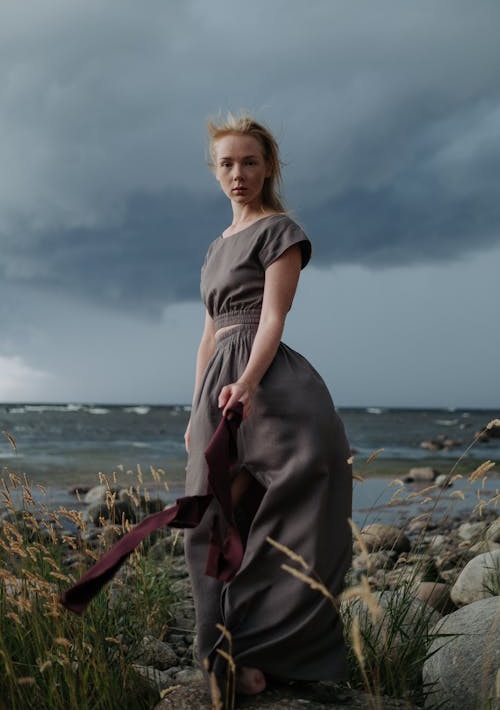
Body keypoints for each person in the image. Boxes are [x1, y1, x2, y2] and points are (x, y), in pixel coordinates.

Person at [184, 112, 352, 702]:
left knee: (298, 503)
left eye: (249, 162)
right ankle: (220, 650)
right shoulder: (213, 249)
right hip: (219, 382)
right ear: (215, 171)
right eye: (227, 163)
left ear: (267, 167)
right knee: (210, 517)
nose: (238, 173)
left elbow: (273, 317)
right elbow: (210, 331)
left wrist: (249, 383)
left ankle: (262, 652)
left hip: (270, 382)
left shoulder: (281, 230)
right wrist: (195, 408)